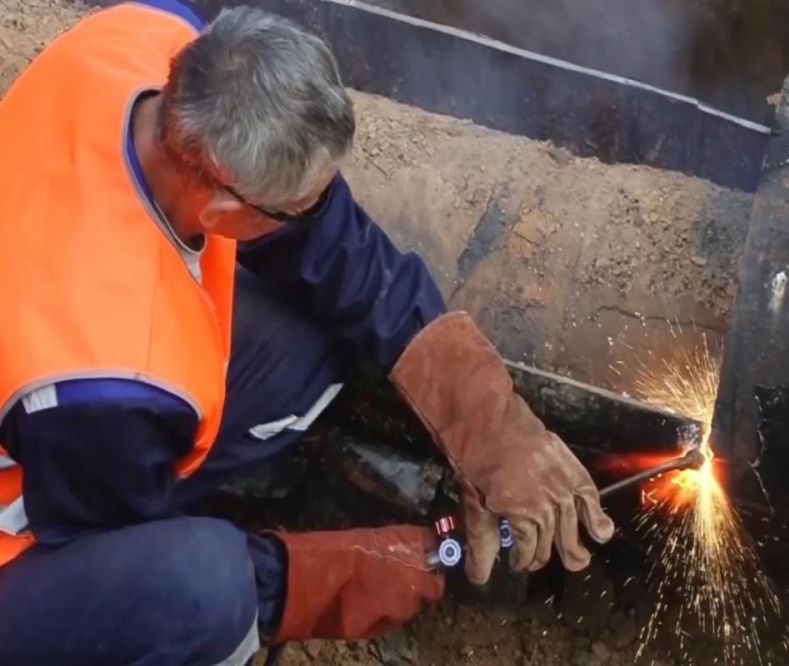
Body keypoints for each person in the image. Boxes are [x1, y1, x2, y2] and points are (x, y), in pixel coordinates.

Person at [0, 2, 615, 664]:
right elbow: (115, 557)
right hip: (41, 498)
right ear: (223, 208)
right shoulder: (107, 384)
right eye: (302, 205)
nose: (323, 212)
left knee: (312, 350)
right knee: (205, 587)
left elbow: (338, 250)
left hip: (62, 367)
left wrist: (488, 428)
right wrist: (321, 577)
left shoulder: (151, 36)